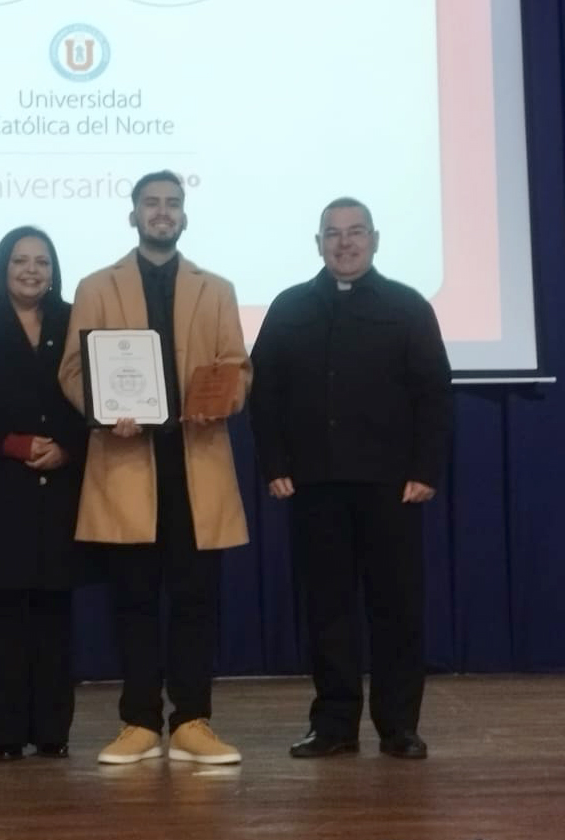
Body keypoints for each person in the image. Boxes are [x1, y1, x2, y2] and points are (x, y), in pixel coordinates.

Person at [58, 170, 250, 765]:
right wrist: (102, 410)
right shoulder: (97, 286)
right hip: (125, 462)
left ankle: (192, 721)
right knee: (134, 602)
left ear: (184, 216)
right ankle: (139, 722)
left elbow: (237, 368)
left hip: (196, 464)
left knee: (195, 602)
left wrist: (220, 399)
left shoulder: (216, 289)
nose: (162, 212)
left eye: (172, 203)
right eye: (151, 203)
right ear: (133, 215)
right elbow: (73, 371)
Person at [250, 197, 452, 760]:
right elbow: (264, 394)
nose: (345, 243)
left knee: (397, 609)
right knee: (327, 610)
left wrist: (425, 470)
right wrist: (274, 464)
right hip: (314, 485)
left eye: (355, 232)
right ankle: (334, 725)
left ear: (375, 240)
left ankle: (399, 726)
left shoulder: (408, 306)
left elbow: (434, 394)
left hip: (392, 486)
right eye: (333, 233)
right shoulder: (289, 307)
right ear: (318, 243)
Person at [0, 225, 90, 761]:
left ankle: (52, 732)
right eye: (21, 260)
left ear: (53, 271)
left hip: (59, 488)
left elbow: (93, 396)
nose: (32, 270)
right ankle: (5, 735)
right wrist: (14, 443)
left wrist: (68, 448)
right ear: (3, 267)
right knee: (3, 617)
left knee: (54, 616)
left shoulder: (75, 320)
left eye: (42, 262)